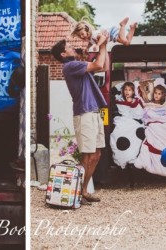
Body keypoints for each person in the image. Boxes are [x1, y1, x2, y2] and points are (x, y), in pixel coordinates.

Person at [51, 39, 108, 204]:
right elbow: (98, 65)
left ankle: (83, 190)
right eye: (68, 47)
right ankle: (78, 192)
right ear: (63, 54)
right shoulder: (70, 66)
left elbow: (102, 65)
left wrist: (103, 47)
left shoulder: (77, 64)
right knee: (87, 156)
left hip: (94, 111)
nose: (72, 47)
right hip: (84, 114)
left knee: (96, 154)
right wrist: (103, 45)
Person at [71, 17, 137, 53]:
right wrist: (87, 48)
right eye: (79, 36)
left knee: (124, 40)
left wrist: (97, 45)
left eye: (82, 34)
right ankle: (132, 28)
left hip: (111, 32)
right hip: (111, 36)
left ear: (87, 30)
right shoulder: (89, 38)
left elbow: (102, 37)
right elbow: (90, 43)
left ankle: (122, 25)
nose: (82, 36)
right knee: (127, 42)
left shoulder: (94, 34)